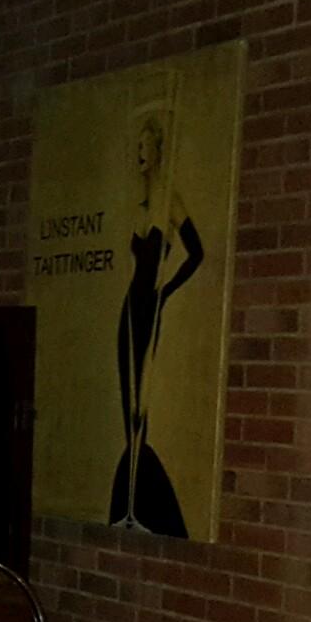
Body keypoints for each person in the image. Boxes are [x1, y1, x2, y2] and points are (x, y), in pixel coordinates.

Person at [111, 109, 205, 536]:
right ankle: (129, 503)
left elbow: (196, 253)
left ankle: (140, 503)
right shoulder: (139, 201)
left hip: (150, 306)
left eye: (145, 146)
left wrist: (167, 291)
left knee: (141, 405)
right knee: (126, 403)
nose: (139, 153)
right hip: (130, 308)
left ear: (158, 148)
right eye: (137, 148)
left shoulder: (169, 201)